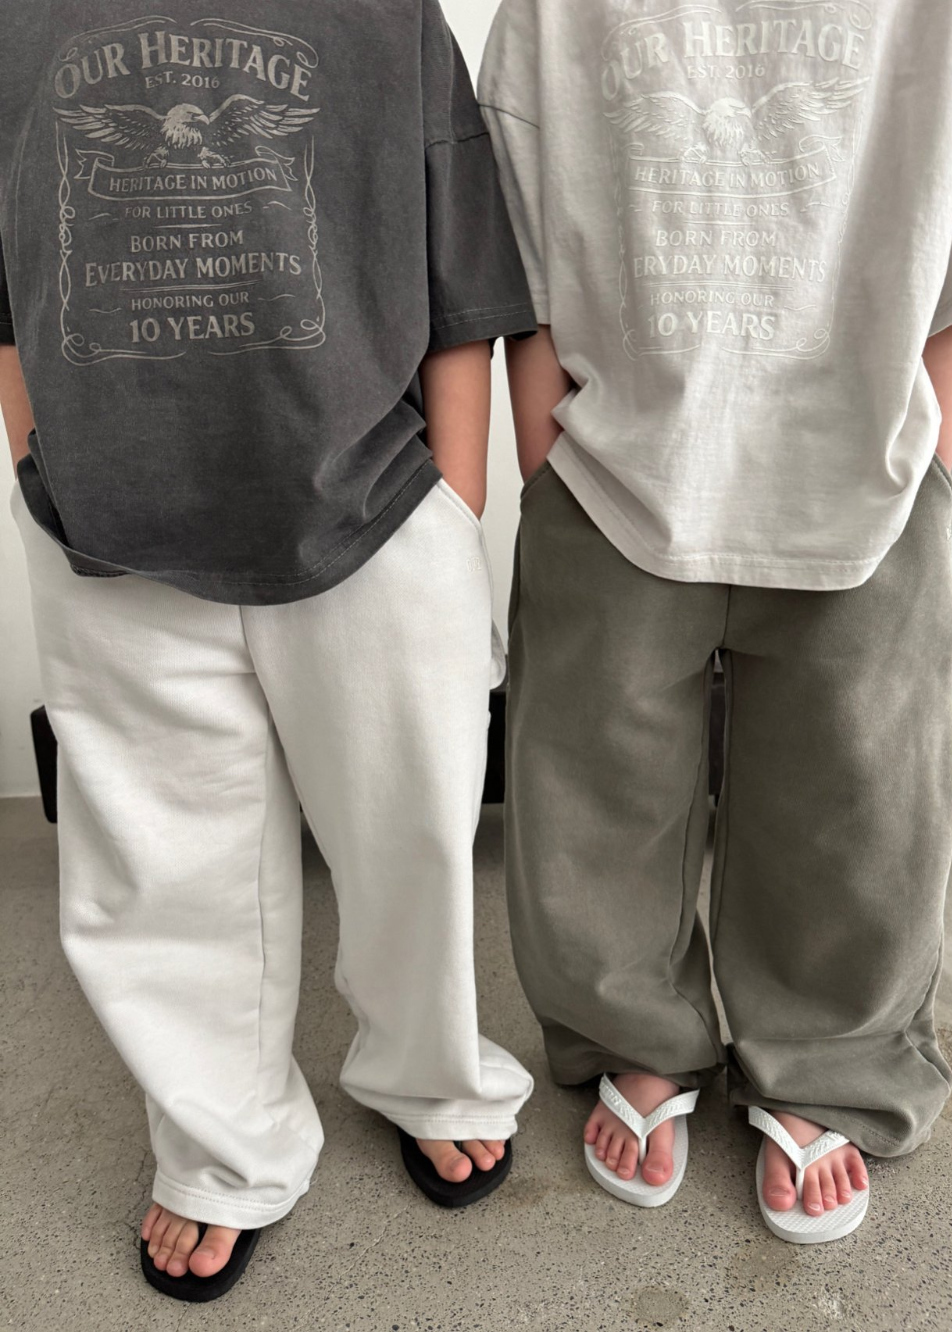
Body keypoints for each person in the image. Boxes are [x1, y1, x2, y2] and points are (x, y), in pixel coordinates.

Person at [0, 0, 536, 1301]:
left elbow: (461, 275)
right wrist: (38, 457)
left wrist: (455, 513)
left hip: (377, 505)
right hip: (112, 522)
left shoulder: (387, 15)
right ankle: (221, 1143)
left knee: (408, 830)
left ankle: (428, 1070)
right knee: (160, 866)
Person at [479, 0, 952, 1242]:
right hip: (613, 456)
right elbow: (518, 214)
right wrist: (545, 465)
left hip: (867, 458)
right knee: (592, 786)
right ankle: (631, 1035)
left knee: (857, 801)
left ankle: (830, 1060)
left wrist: (929, 459)